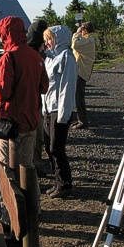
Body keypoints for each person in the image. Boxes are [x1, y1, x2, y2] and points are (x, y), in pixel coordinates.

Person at [0, 16, 49, 223]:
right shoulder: (35, 56)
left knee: (6, 169)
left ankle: (10, 216)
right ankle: (34, 208)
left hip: (10, 124)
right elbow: (44, 87)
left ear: (6, 33)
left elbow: (2, 92)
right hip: (30, 120)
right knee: (28, 167)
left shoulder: (8, 58)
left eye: (0, 34)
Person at [42, 25, 77, 198]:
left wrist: (63, 114)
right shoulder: (49, 58)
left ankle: (65, 184)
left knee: (57, 147)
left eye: (50, 38)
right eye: (46, 39)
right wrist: (43, 108)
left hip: (59, 109)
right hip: (48, 109)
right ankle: (58, 181)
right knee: (49, 147)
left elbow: (67, 87)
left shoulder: (66, 56)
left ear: (59, 38)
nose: (47, 42)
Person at [27, 19, 48, 178]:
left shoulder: (20, 56)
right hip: (35, 103)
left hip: (29, 104)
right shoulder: (39, 58)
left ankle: (31, 167)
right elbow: (44, 85)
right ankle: (33, 166)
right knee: (35, 137)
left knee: (32, 138)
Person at [71, 21, 98, 129]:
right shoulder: (90, 40)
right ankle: (81, 119)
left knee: (79, 98)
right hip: (82, 71)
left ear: (85, 31)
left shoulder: (88, 41)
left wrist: (76, 33)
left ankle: (82, 121)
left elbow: (75, 45)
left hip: (81, 72)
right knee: (78, 97)